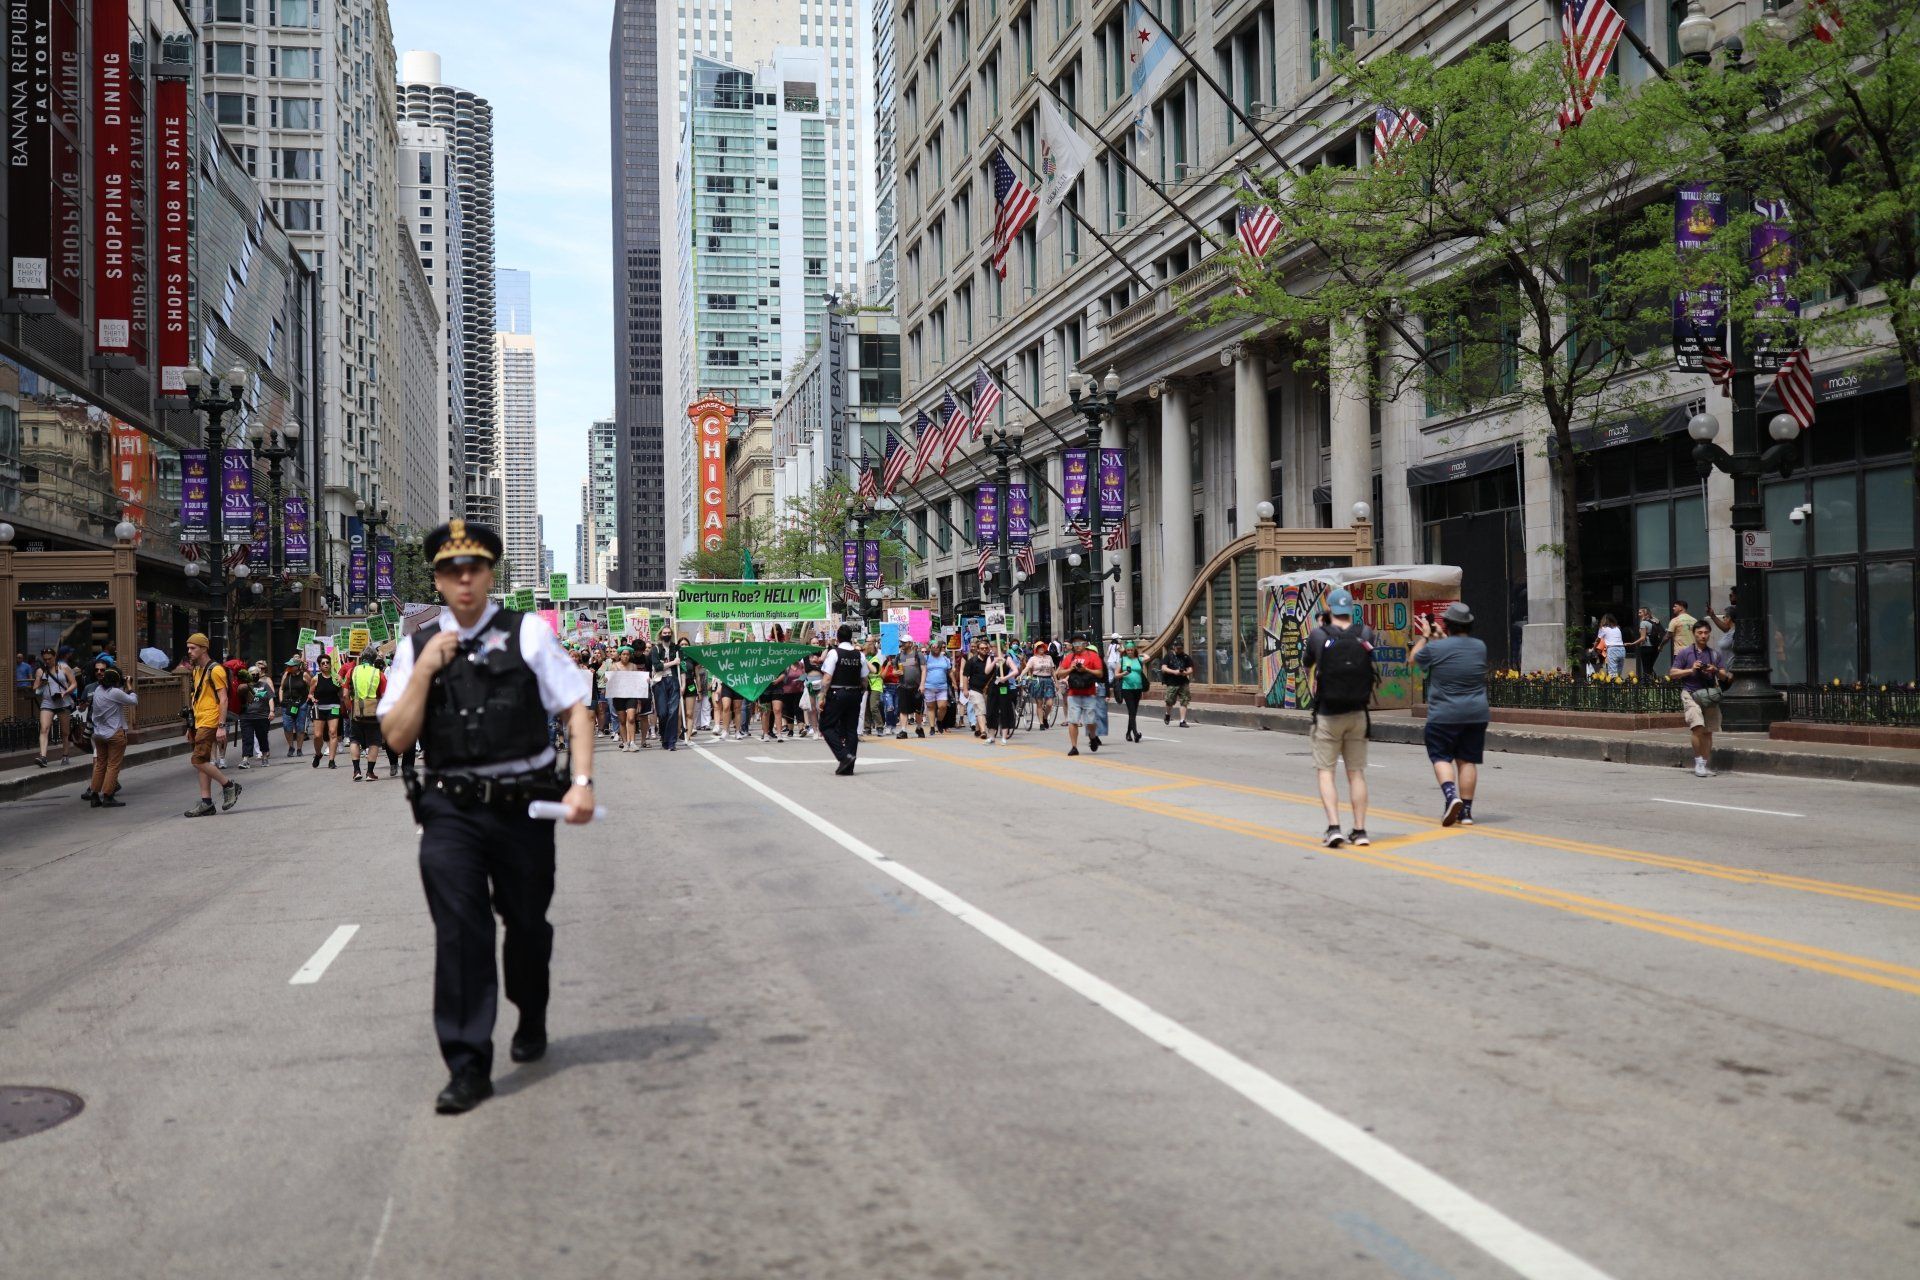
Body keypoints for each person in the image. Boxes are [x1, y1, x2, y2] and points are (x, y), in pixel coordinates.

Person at [377, 519, 595, 1115]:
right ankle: (468, 1064)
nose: (463, 579)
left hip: (524, 803)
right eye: (451, 570)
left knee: (525, 923)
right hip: (450, 808)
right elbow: (396, 738)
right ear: (439, 581)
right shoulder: (416, 647)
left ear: (490, 572)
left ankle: (532, 1009)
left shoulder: (526, 633)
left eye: (473, 567)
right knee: (461, 931)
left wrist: (581, 783)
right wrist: (424, 672)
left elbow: (577, 711)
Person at [1410, 602, 1489, 827]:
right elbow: (1456, 650)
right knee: (1467, 761)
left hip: (1444, 714)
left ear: (1447, 624)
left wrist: (1425, 637)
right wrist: (1443, 638)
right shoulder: (1479, 646)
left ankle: (1450, 794)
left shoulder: (1435, 648)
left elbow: (1413, 659)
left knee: (1441, 757)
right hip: (1476, 714)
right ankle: (1466, 813)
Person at [1308, 594, 1377, 847]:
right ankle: (1360, 831)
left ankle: (1334, 827)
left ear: (1330, 609)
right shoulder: (1365, 633)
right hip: (1358, 712)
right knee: (1356, 773)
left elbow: (1308, 663)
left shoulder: (1319, 635)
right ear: (1350, 609)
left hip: (1328, 713)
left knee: (1326, 772)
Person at [182, 634, 240, 817]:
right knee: (203, 761)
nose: (189, 651)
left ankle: (229, 786)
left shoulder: (215, 670)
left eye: (193, 648)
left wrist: (221, 726)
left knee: (197, 760)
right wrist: (190, 726)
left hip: (211, 720)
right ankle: (206, 802)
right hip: (199, 721)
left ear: (204, 648)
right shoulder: (198, 670)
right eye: (188, 648)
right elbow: (197, 698)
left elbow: (223, 699)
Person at [1669, 618, 1732, 778]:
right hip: (1690, 694)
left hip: (1709, 695)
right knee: (1697, 727)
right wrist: (1691, 670)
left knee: (1709, 731)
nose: (1703, 636)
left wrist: (1715, 670)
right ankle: (1698, 762)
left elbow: (1725, 677)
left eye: (1706, 633)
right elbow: (1673, 673)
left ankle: (1704, 764)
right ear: (1694, 634)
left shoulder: (1714, 654)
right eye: (1700, 633)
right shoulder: (1685, 652)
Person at [818, 624, 870, 775]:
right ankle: (849, 766)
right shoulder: (859, 655)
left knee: (826, 726)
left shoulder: (834, 653)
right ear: (851, 638)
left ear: (838, 638)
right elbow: (865, 679)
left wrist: (822, 697)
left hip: (837, 693)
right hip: (855, 694)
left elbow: (827, 679)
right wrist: (861, 693)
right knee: (851, 730)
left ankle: (844, 756)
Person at [85, 666, 137, 808]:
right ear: (116, 681)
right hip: (114, 733)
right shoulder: (115, 692)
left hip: (99, 734)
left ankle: (94, 795)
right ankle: (108, 796)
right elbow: (133, 700)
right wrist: (129, 686)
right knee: (113, 766)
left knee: (100, 765)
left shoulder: (97, 691)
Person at [1059, 634, 1106, 756]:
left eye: (1080, 643)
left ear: (1085, 644)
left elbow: (1100, 674)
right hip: (1073, 693)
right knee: (1072, 721)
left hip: (1089, 693)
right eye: (1075, 643)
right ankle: (1074, 747)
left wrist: (1086, 669)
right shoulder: (1070, 657)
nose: (1077, 646)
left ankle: (1093, 736)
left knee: (1090, 721)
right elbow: (1060, 674)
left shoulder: (1093, 656)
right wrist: (1070, 669)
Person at [30, 647, 77, 768]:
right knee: (44, 728)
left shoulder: (64, 668)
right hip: (47, 702)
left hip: (63, 702)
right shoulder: (40, 671)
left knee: (65, 732)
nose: (47, 661)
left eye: (49, 659)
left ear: (54, 657)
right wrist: (41, 681)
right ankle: (43, 757)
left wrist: (65, 692)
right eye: (45, 659)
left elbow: (74, 683)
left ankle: (65, 755)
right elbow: (35, 689)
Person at [348, 653, 387, 781]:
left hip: (357, 711)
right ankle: (370, 773)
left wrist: (351, 708)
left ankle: (356, 771)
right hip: (373, 712)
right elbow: (384, 694)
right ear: (373, 660)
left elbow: (344, 693)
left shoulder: (353, 671)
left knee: (354, 740)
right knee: (374, 742)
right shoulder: (378, 673)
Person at [237, 663, 276, 765]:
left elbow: (270, 698)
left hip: (262, 716)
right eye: (252, 674)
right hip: (246, 716)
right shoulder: (244, 686)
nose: (254, 675)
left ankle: (264, 757)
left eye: (256, 673)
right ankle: (245, 759)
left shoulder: (264, 685)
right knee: (247, 738)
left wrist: (272, 711)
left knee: (262, 737)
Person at [309, 653, 343, 769]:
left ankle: (332, 760)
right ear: (319, 666)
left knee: (333, 733)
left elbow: (343, 692)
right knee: (318, 735)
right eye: (323, 663)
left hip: (333, 707)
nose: (325, 665)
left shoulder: (336, 677)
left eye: (327, 663)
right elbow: (310, 694)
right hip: (319, 708)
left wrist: (342, 683)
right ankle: (318, 754)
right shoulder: (315, 679)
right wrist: (312, 698)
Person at [984, 641, 1020, 744]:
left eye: (993, 646)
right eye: (991, 646)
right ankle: (991, 736)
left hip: (1003, 686)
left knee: (1005, 709)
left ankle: (1004, 736)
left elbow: (1015, 671)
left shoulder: (1007, 658)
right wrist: (994, 661)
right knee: (991, 710)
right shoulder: (990, 658)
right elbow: (986, 671)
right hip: (993, 686)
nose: (991, 648)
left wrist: (1005, 678)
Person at [1115, 641, 1150, 743]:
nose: (1129, 651)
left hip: (1138, 689)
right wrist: (1124, 673)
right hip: (1127, 689)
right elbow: (1116, 675)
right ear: (1125, 650)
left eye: (1131, 649)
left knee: (1133, 712)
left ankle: (1128, 733)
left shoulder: (1138, 659)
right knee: (1132, 711)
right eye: (1128, 650)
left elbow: (1148, 657)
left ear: (1134, 649)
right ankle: (1135, 733)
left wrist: (1140, 654)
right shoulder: (1122, 660)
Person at [655, 630, 683, 751]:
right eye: (664, 633)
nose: (667, 635)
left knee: (673, 711)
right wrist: (673, 662)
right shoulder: (656, 649)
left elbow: (681, 665)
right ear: (661, 634)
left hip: (673, 681)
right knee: (663, 713)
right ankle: (664, 736)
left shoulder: (676, 648)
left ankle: (671, 741)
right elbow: (657, 666)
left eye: (669, 633)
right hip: (660, 682)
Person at [278, 655, 311, 756]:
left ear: (297, 666)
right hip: (287, 704)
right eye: (288, 665)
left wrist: (308, 700)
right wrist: (281, 700)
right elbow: (281, 688)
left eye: (291, 666)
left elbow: (312, 687)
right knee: (287, 726)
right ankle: (291, 746)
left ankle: (299, 749)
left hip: (301, 705)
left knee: (300, 727)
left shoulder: (304, 675)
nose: (289, 667)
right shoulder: (286, 674)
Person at [1020, 642, 1056, 729]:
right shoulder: (1033, 659)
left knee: (1049, 703)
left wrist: (1056, 682)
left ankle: (1045, 718)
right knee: (1039, 703)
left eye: (1042, 647)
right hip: (1037, 681)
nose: (1041, 649)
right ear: (1036, 649)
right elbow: (1027, 668)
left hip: (1048, 680)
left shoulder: (1049, 657)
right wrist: (1021, 675)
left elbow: (1052, 671)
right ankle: (1041, 723)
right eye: (1039, 647)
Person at [1159, 640, 1194, 728]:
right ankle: (1168, 714)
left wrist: (1186, 673)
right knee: (1169, 701)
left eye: (1181, 648)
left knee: (1184, 700)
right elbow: (1163, 668)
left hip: (1183, 682)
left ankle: (1182, 721)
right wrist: (1174, 672)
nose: (1179, 650)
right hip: (1172, 682)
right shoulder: (1168, 656)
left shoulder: (1185, 657)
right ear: (1174, 647)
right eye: (1178, 648)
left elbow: (1190, 668)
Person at [961, 641, 991, 740]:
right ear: (978, 650)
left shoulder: (990, 660)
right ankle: (983, 731)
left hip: (987, 690)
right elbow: (965, 676)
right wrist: (965, 689)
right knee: (981, 709)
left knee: (982, 710)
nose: (984, 650)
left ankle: (978, 729)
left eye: (986, 648)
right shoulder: (971, 661)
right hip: (975, 689)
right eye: (982, 648)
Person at [920, 641, 951, 735]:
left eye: (937, 647)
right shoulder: (926, 658)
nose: (935, 648)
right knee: (930, 707)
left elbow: (950, 671)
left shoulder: (945, 659)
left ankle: (939, 721)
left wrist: (954, 682)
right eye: (933, 647)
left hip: (942, 686)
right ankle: (932, 727)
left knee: (943, 706)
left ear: (940, 647)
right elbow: (922, 672)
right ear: (930, 648)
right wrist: (922, 685)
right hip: (929, 686)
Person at [1629, 606, 1660, 682]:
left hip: (1646, 647)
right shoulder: (1655, 621)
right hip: (1655, 647)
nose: (1638, 614)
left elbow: (1643, 638)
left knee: (1646, 668)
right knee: (1650, 667)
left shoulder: (1643, 623)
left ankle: (1647, 684)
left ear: (1645, 613)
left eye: (1640, 612)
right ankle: (1656, 682)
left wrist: (1632, 643)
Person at [1597, 613, 1625, 678]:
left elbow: (1597, 640)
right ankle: (1618, 685)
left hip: (1612, 649)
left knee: (1612, 672)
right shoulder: (1617, 628)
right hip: (1622, 649)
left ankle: (1613, 686)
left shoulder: (1603, 628)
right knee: (1619, 671)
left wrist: (1594, 648)